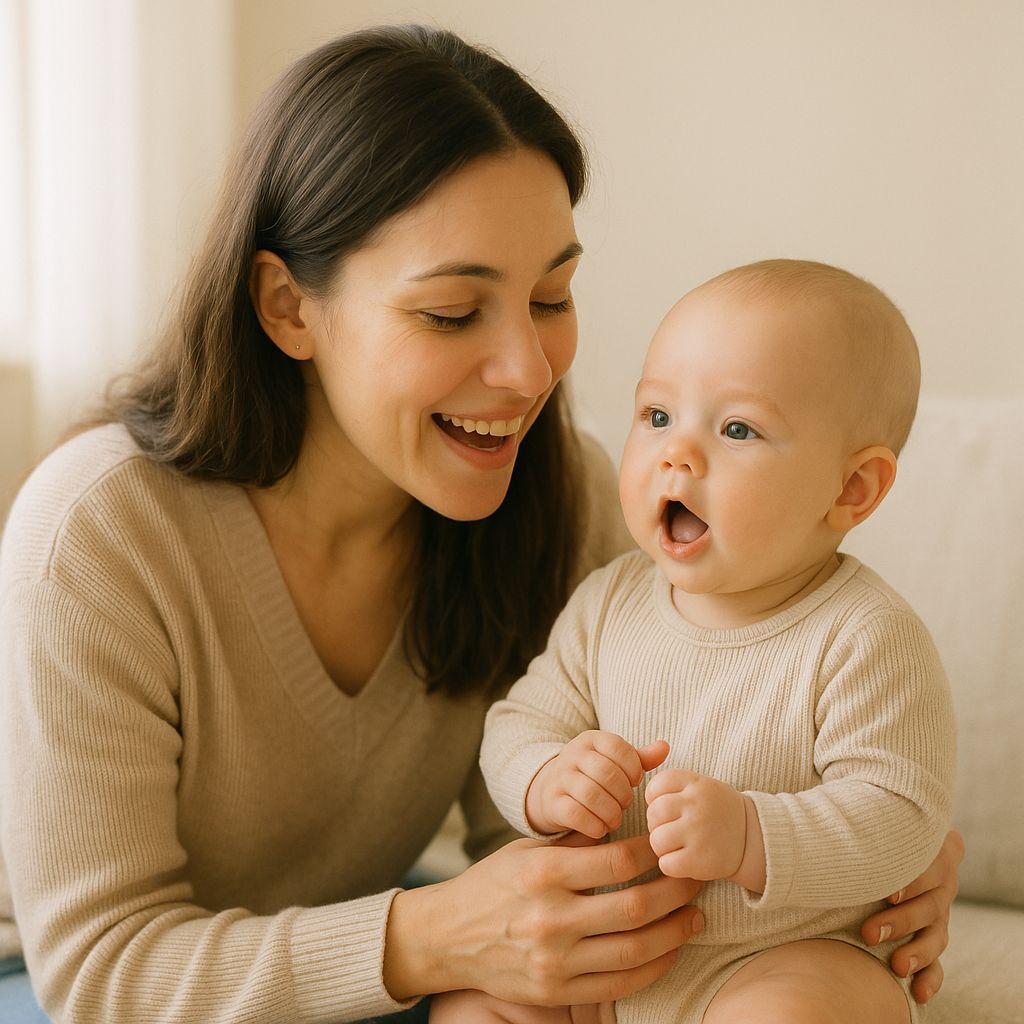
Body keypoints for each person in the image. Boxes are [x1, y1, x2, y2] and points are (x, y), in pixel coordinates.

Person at [0, 24, 962, 1024]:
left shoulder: (564, 495)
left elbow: (553, 834)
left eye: (551, 297)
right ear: (288, 307)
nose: (528, 371)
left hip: (361, 976)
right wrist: (430, 938)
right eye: (454, 312)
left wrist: (849, 879)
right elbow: (96, 973)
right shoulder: (97, 535)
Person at [447, 260, 956, 1024]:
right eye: (656, 415)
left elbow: (901, 817)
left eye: (737, 429)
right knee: (472, 1000)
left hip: (784, 955)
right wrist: (547, 775)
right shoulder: (608, 602)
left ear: (851, 489)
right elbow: (517, 724)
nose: (676, 454)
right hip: (605, 964)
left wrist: (753, 834)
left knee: (796, 1012)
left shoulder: (866, 637)